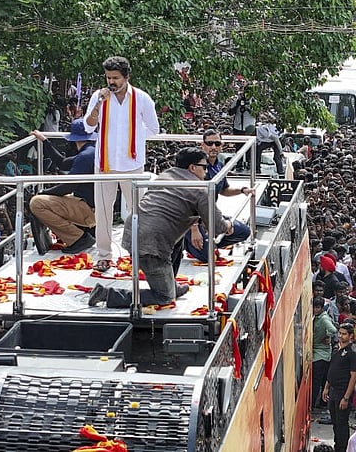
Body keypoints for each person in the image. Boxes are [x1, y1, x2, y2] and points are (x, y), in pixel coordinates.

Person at [86, 148, 230, 308]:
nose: (206, 171)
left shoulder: (165, 176)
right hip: (151, 245)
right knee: (165, 297)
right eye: (204, 167)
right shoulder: (199, 190)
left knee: (179, 236)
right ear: (192, 168)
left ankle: (170, 283)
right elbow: (218, 227)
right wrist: (229, 225)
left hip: (133, 231)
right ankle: (107, 294)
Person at [83, 56, 160, 272]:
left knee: (139, 211)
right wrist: (98, 105)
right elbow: (89, 127)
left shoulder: (143, 99)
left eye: (115, 78)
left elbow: (154, 129)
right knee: (103, 211)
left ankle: (141, 254)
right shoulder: (99, 97)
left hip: (132, 163)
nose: (111, 82)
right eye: (108, 77)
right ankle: (104, 256)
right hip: (104, 163)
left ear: (126, 77)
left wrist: (133, 138)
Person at [181, 129, 254, 266]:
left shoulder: (219, 166)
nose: (213, 147)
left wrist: (243, 190)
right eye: (209, 143)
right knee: (207, 256)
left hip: (210, 216)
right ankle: (187, 242)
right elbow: (189, 197)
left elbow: (224, 189)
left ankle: (208, 241)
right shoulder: (196, 166)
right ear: (203, 145)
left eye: (217, 143)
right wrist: (194, 228)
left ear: (222, 145)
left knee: (244, 232)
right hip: (192, 220)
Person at [28, 121, 97, 255]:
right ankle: (82, 231)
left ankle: (78, 238)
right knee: (49, 197)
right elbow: (63, 163)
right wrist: (44, 141)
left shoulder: (85, 157)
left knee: (37, 203)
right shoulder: (91, 151)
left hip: (89, 209)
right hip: (94, 206)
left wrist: (43, 193)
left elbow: (68, 186)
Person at [322, 323, 356, 452]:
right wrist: (327, 387)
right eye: (340, 333)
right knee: (335, 422)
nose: (340, 336)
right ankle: (337, 445)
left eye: (344, 334)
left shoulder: (353, 352)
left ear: (351, 336)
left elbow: (353, 377)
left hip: (342, 391)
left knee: (342, 424)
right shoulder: (336, 349)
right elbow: (331, 369)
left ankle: (342, 448)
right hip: (332, 390)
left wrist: (346, 397)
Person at [313, 296, 337, 409]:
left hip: (320, 354)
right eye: (314, 307)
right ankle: (322, 403)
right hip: (321, 353)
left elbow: (333, 330)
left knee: (317, 382)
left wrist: (327, 336)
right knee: (322, 380)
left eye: (317, 307)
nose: (315, 310)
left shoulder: (323, 319)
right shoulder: (317, 317)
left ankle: (313, 405)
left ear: (322, 308)